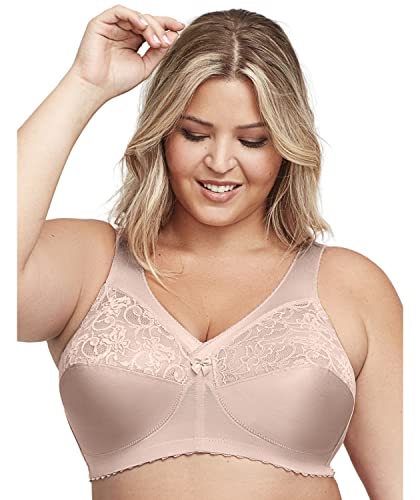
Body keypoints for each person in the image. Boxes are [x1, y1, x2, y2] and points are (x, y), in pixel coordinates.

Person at [17, 5, 402, 500]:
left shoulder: (352, 285)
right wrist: (85, 85)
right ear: (163, 133)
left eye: (253, 140)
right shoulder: (90, 264)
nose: (220, 162)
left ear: (286, 145)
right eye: (194, 134)